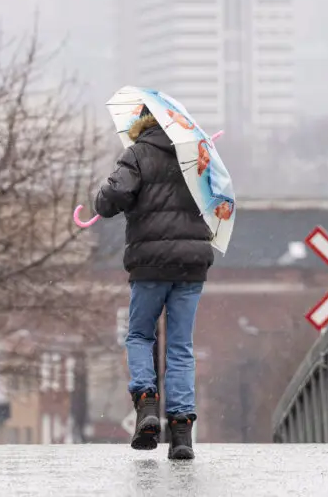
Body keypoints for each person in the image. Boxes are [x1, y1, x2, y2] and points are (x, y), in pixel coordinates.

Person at [93, 105, 214, 460]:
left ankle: (146, 404)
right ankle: (180, 431)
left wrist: (102, 197)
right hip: (191, 263)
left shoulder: (137, 154)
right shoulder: (198, 155)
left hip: (149, 263)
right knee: (180, 346)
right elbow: (216, 199)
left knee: (140, 335)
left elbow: (112, 198)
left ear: (141, 124)